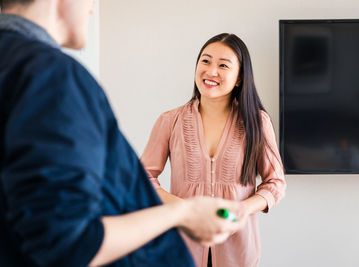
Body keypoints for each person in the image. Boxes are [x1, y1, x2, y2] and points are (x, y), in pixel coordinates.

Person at [0, 1, 245, 266]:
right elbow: (69, 243)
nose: (92, 9)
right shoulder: (53, 78)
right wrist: (183, 213)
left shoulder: (22, 68)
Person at [141, 33, 287, 267]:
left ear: (239, 78)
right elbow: (143, 178)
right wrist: (186, 210)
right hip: (180, 247)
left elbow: (276, 182)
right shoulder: (170, 121)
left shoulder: (257, 122)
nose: (211, 72)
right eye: (205, 61)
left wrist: (240, 210)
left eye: (223, 65)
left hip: (238, 250)